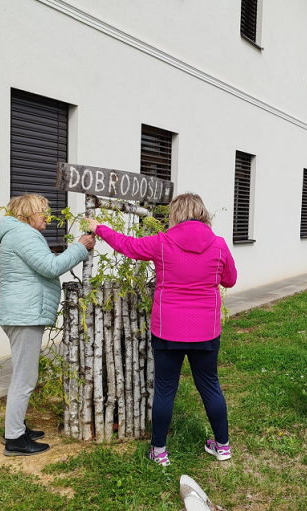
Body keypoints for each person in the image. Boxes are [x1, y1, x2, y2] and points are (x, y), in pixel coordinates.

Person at [85, 192, 237, 466]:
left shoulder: (163, 242)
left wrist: (99, 229)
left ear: (176, 214)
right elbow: (230, 280)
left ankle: (159, 452)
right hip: (206, 330)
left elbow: (127, 246)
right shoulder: (219, 245)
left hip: (168, 330)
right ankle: (223, 446)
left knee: (165, 389)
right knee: (210, 386)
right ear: (203, 213)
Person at [0, 194, 96, 456]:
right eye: (42, 212)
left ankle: (15, 428)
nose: (47, 217)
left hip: (22, 312)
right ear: (27, 214)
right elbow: (50, 267)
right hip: (24, 314)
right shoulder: (23, 235)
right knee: (24, 378)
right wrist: (81, 246)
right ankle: (15, 440)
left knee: (23, 374)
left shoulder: (18, 234)